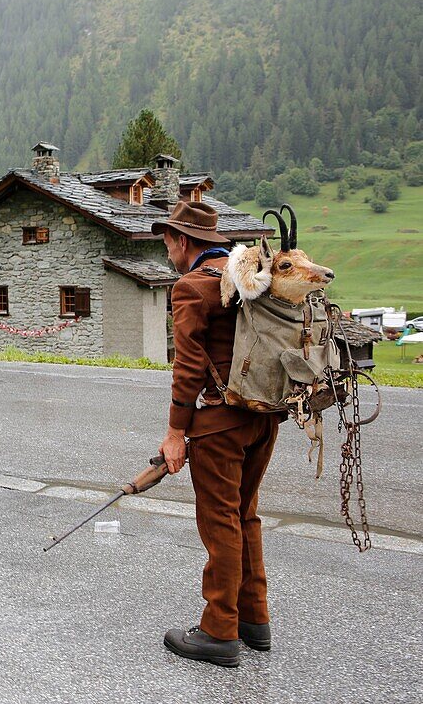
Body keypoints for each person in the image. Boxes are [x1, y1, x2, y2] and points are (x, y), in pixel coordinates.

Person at [151, 201, 281, 667]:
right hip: (264, 417)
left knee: (220, 521)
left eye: (167, 243)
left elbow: (187, 368)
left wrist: (174, 433)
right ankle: (254, 619)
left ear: (184, 241)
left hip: (220, 424)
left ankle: (219, 629)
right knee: (245, 515)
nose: (168, 252)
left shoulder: (191, 288)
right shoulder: (253, 278)